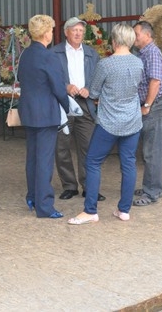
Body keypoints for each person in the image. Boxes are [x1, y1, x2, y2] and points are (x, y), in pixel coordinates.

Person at [69, 24, 143, 225]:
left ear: (114, 41)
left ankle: (90, 210)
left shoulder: (106, 64)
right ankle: (124, 210)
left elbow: (93, 92)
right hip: (132, 121)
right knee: (128, 163)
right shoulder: (138, 63)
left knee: (93, 162)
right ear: (130, 41)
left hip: (109, 121)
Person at [17, 14, 70, 219]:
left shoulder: (26, 54)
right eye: (51, 30)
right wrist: (67, 106)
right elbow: (58, 87)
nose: (52, 33)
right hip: (46, 114)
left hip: (28, 111)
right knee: (44, 161)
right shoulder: (49, 56)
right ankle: (45, 206)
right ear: (46, 33)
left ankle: (31, 197)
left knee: (32, 158)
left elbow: (21, 77)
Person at [51, 17, 104, 202]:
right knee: (61, 146)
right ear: (66, 32)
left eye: (81, 31)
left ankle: (89, 187)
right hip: (63, 103)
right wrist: (65, 86)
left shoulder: (91, 53)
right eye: (74, 30)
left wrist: (90, 89)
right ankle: (69, 186)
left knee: (88, 146)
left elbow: (98, 77)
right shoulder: (55, 52)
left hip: (85, 103)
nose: (78, 33)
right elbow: (50, 78)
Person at [132, 20, 162, 207]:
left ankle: (152, 192)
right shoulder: (142, 53)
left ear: (147, 35)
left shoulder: (152, 52)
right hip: (149, 106)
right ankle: (150, 186)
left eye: (136, 34)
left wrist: (146, 105)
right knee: (148, 150)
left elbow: (155, 81)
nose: (134, 37)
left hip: (153, 107)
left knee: (152, 152)